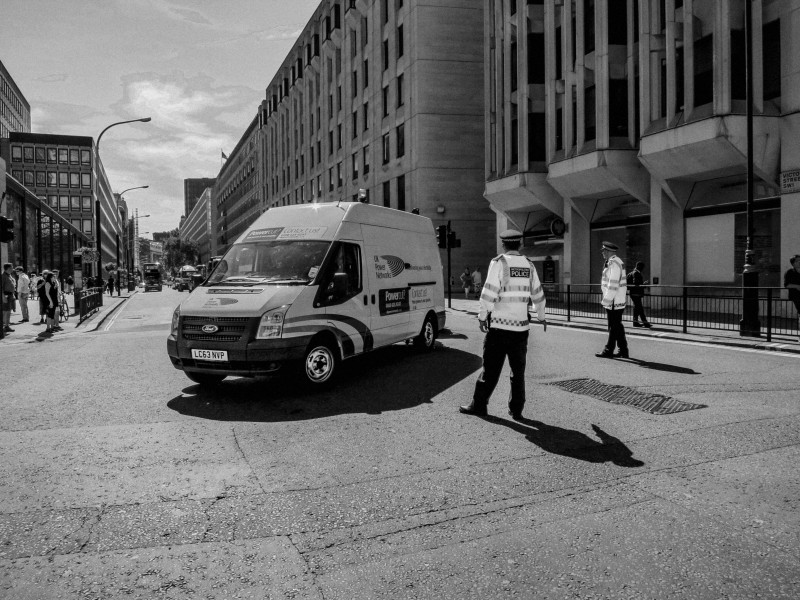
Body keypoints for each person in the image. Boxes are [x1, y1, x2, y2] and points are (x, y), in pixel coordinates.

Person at [460, 230, 547, 421]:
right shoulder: (529, 265)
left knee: (490, 369)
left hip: (499, 328)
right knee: (518, 372)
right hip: (521, 329)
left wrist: (482, 316)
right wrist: (541, 316)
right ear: (520, 245)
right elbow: (538, 293)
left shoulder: (499, 263)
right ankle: (516, 410)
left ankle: (479, 405)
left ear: (504, 245)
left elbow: (489, 292)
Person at [595, 241, 629, 359]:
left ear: (609, 251)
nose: (602, 252)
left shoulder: (614, 264)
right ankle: (623, 350)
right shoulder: (615, 262)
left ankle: (608, 350)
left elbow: (613, 285)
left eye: (604, 250)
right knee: (617, 325)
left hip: (614, 300)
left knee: (613, 326)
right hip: (616, 299)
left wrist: (606, 300)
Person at [627, 261, 651, 328]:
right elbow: (636, 284)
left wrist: (642, 284)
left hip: (634, 293)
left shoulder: (634, 272)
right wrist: (644, 285)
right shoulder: (636, 273)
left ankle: (635, 322)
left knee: (636, 308)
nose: (643, 269)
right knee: (640, 308)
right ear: (638, 266)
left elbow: (636, 283)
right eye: (642, 267)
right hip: (636, 294)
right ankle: (645, 323)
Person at [784, 254, 800, 341]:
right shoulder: (789, 272)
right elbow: (786, 285)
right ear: (793, 263)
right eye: (798, 261)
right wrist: (797, 287)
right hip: (796, 296)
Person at [2, 263, 16, 334]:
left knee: (9, 311)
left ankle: (7, 326)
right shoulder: (3, 276)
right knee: (5, 311)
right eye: (11, 267)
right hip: (6, 295)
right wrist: (3, 296)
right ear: (7, 268)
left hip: (10, 295)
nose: (12, 269)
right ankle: (4, 326)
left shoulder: (9, 275)